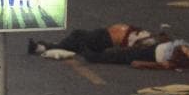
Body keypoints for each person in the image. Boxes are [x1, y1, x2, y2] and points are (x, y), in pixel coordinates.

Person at [28, 23, 158, 57]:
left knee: (77, 37)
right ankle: (43, 47)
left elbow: (130, 48)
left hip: (104, 40)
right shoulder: (143, 33)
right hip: (103, 34)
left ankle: (43, 47)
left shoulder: (143, 42)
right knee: (76, 40)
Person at [84, 39, 189, 70]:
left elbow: (166, 64)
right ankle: (97, 52)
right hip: (155, 48)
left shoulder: (182, 60)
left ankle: (94, 56)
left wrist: (143, 64)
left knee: (122, 55)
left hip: (151, 55)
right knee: (124, 51)